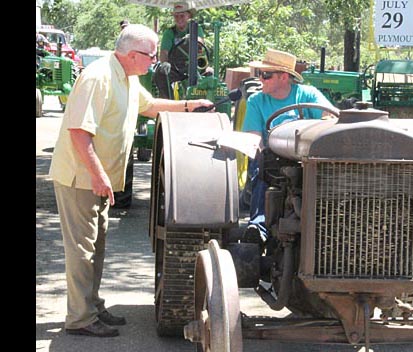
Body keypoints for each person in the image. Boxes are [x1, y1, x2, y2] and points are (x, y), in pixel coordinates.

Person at [48, 24, 213, 338]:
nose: (154, 60)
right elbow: (79, 133)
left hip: (99, 178)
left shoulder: (127, 76)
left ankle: (92, 307)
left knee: (95, 246)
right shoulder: (98, 77)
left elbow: (149, 107)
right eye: (150, 55)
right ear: (131, 54)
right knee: (82, 250)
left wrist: (190, 106)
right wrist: (98, 176)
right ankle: (80, 318)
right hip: (80, 177)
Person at [241, 48, 336, 244]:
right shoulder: (256, 101)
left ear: (284, 77)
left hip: (307, 158)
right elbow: (254, 138)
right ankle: (258, 226)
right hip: (273, 159)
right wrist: (258, 152)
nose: (261, 79)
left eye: (266, 75)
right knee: (259, 163)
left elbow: (332, 117)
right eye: (260, 74)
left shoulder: (308, 95)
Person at [153, 2, 206, 99]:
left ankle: (204, 102)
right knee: (160, 74)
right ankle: (168, 102)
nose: (179, 19)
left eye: (182, 16)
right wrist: (164, 63)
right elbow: (164, 52)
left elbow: (201, 45)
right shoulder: (169, 33)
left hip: (194, 66)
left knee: (210, 75)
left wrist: (194, 39)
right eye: (176, 16)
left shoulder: (196, 28)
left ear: (188, 16)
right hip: (175, 68)